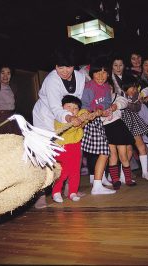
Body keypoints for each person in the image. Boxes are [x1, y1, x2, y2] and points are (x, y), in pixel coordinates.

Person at [32, 47, 86, 208]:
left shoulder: (81, 77)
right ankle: (41, 194)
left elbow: (77, 101)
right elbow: (56, 109)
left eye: (68, 67)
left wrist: (80, 114)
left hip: (70, 117)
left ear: (73, 66)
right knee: (48, 156)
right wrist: (69, 117)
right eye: (59, 67)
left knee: (72, 151)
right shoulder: (51, 80)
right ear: (55, 66)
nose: (64, 71)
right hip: (46, 117)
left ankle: (70, 188)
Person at [82, 57, 134, 191]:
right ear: (92, 74)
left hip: (101, 122)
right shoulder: (89, 87)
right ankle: (97, 182)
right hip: (89, 122)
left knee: (105, 152)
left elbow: (106, 104)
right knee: (101, 152)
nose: (101, 76)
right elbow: (84, 106)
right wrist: (95, 112)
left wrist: (104, 110)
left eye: (104, 72)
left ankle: (100, 182)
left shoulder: (106, 87)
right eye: (97, 72)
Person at [52, 95, 89, 202]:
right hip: (62, 148)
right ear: (62, 107)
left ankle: (72, 192)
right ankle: (56, 192)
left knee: (75, 171)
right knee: (62, 172)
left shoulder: (78, 117)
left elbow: (85, 112)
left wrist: (83, 115)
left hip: (75, 146)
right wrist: (78, 122)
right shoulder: (59, 119)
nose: (72, 110)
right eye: (68, 107)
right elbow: (69, 130)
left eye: (75, 108)